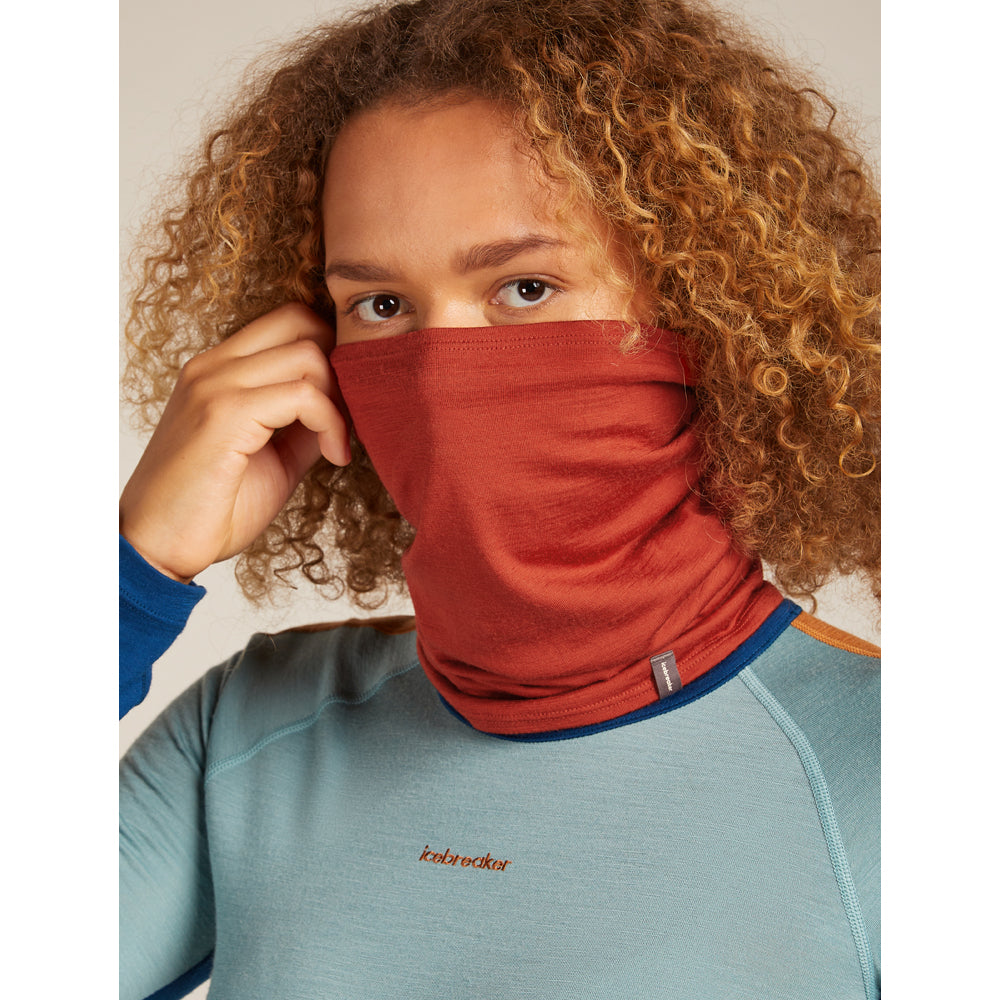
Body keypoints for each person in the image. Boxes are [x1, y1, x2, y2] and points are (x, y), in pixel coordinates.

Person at [119, 1, 880, 997]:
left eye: (525, 287)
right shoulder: (249, 733)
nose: (440, 376)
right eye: (381, 305)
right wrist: (135, 570)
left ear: (705, 311)